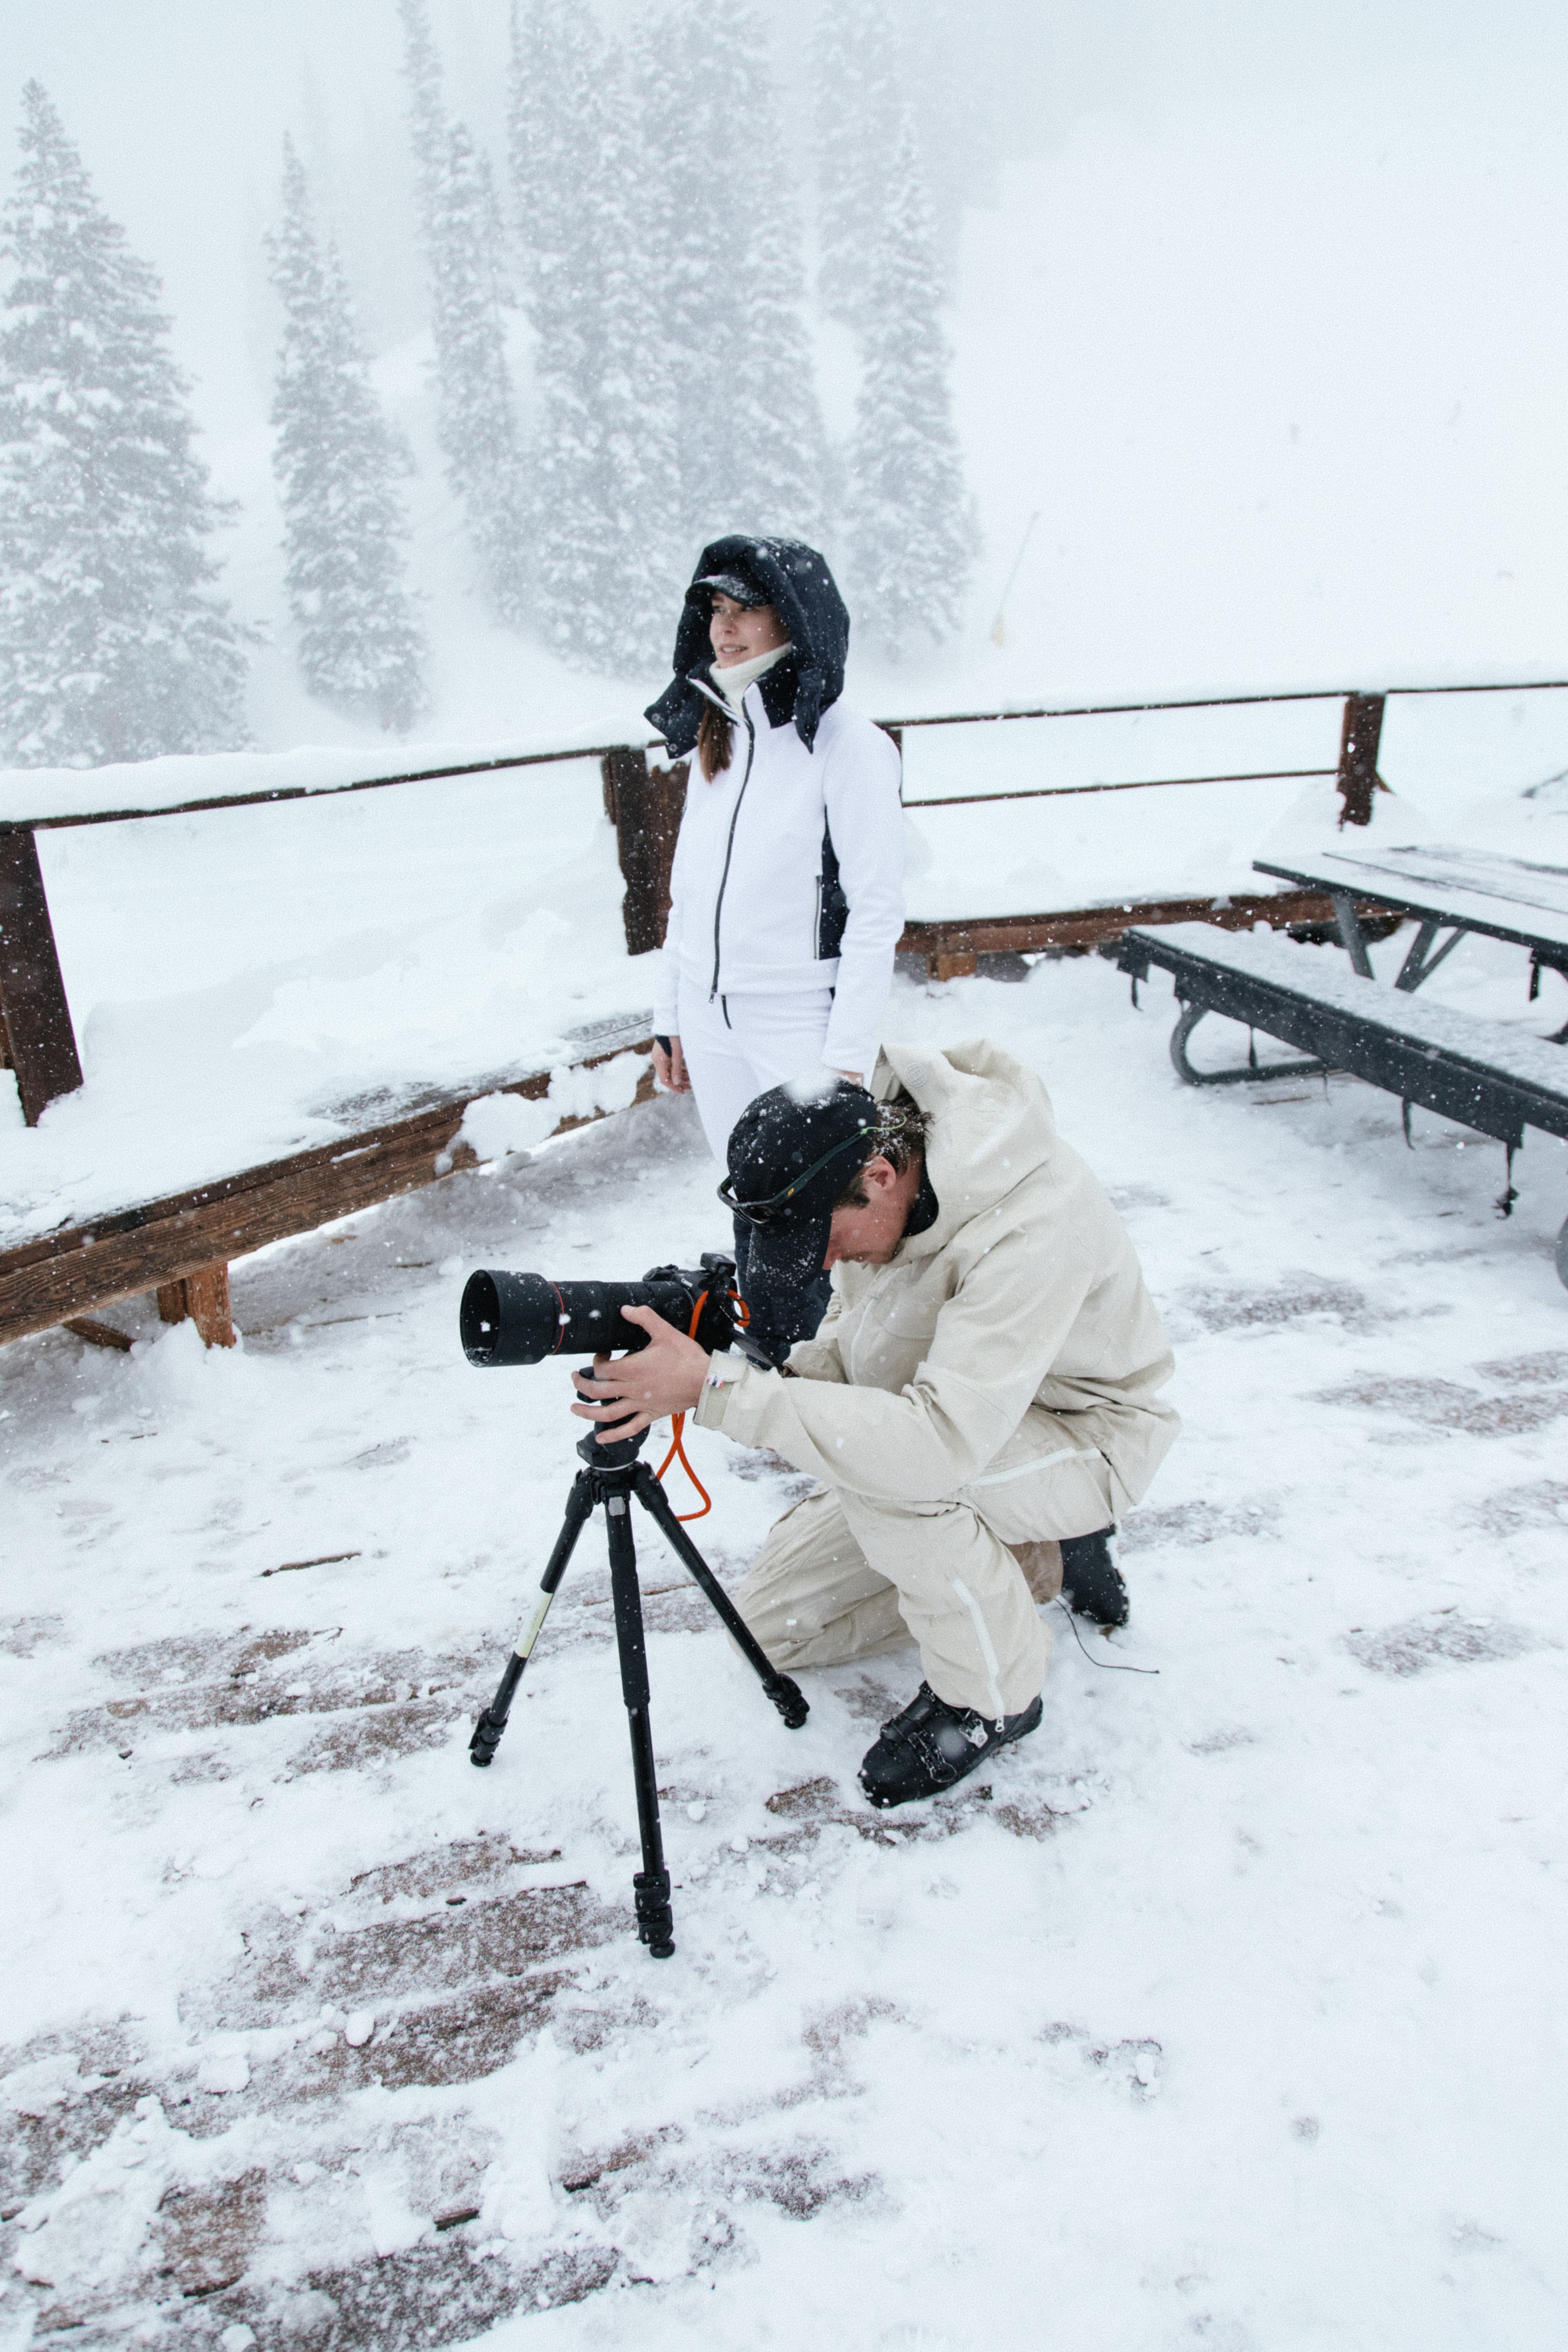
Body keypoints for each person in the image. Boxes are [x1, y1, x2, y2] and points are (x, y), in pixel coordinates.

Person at [570, 1038, 1180, 1809]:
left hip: (1085, 1432)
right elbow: (853, 1344)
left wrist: (723, 1393)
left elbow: (936, 1447)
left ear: (881, 1178)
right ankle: (1046, 1556)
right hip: (971, 1411)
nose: (825, 1264)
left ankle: (992, 1699)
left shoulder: (1033, 1219)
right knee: (773, 1626)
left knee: (902, 1484)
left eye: (824, 1242)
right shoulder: (881, 1178)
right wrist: (760, 1374)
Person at [644, 535, 905, 1360]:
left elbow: (876, 912)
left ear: (793, 618)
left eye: (745, 611)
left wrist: (848, 1060)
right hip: (709, 1012)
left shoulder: (849, 745)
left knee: (813, 1208)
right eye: (715, 611)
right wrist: (669, 1016)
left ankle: (822, 1370)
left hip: (798, 1013)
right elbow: (687, 896)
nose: (724, 630)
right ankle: (770, 1353)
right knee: (752, 1197)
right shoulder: (716, 738)